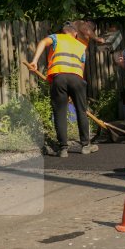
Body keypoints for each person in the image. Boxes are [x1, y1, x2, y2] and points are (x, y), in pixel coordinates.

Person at [28, 23, 98, 157]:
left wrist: (35, 61)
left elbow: (43, 42)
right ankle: (85, 145)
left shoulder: (56, 38)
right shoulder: (81, 46)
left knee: (60, 112)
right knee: (81, 111)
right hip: (77, 79)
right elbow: (81, 68)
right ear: (75, 34)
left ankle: (63, 149)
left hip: (59, 77)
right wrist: (75, 89)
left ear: (63, 32)